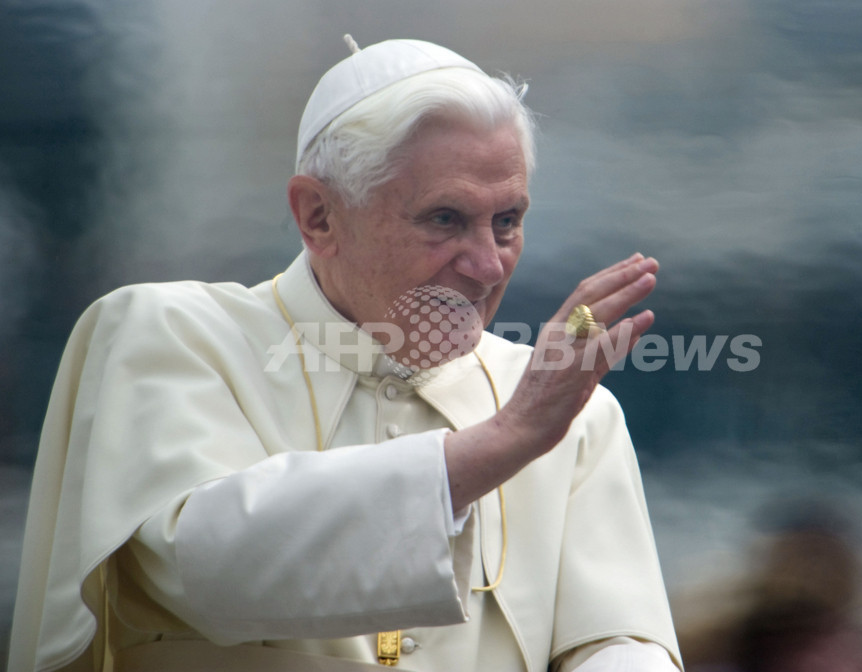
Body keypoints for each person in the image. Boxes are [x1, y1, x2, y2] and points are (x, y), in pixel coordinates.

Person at [8, 37, 682, 671]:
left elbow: (618, 642)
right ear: (319, 217)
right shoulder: (167, 335)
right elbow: (204, 567)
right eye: (444, 220)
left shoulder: (575, 415)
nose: (487, 265)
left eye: (507, 221)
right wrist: (503, 441)